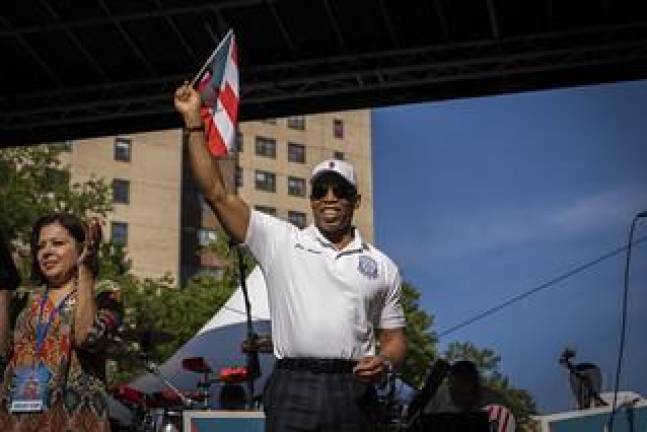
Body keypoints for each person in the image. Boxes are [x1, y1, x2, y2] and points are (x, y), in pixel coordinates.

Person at [174, 82, 407, 431]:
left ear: (355, 201)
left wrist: (386, 362)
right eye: (320, 190)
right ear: (311, 200)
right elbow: (217, 194)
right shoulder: (281, 241)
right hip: (294, 384)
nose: (330, 198)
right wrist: (193, 122)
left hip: (354, 387)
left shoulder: (383, 266)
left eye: (340, 191)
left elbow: (394, 338)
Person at [0, 213, 122, 432]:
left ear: (80, 248)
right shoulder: (22, 298)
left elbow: (89, 338)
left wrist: (85, 268)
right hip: (15, 422)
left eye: (57, 243)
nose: (46, 252)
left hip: (75, 422)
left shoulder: (105, 292)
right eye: (41, 246)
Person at [424, 360, 516, 432]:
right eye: (460, 381)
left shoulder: (492, 402)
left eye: (467, 381)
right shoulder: (439, 397)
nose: (463, 388)